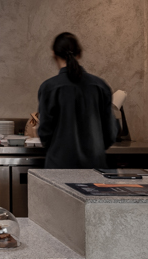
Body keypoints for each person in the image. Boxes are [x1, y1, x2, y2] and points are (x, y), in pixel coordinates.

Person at [36, 32, 118, 169]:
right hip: (95, 166)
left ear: (54, 54)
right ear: (79, 54)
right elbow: (110, 133)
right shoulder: (100, 86)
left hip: (59, 166)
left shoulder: (49, 87)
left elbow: (45, 132)